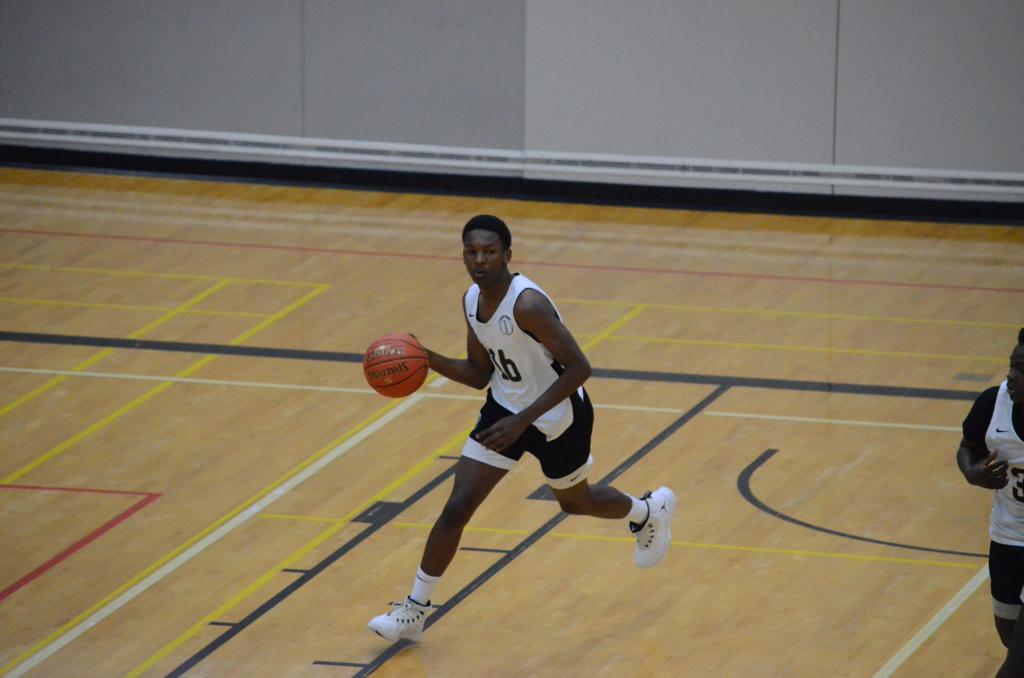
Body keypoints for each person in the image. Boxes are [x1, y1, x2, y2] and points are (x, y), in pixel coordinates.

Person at [368, 214, 677, 642]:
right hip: (504, 410)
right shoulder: (471, 301)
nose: (480, 260)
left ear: (507, 255)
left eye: (489, 252)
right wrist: (427, 358)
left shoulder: (528, 305)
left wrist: (523, 420)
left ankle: (647, 512)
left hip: (559, 416)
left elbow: (580, 368)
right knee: (457, 507)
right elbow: (479, 374)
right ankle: (414, 611)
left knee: (576, 502)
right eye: (472, 252)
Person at [956, 328, 1024, 673]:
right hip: (1007, 536)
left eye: (1021, 369)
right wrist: (972, 472)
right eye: (1011, 365)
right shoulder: (991, 403)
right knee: (1009, 635)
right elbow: (968, 447)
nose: (1011, 374)